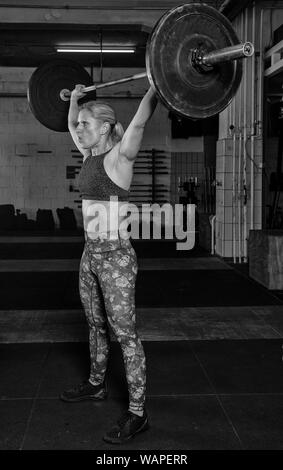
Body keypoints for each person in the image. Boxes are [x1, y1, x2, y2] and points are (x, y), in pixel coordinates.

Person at [60, 83, 158, 444]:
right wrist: (74, 101)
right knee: (94, 323)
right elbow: (70, 123)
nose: (79, 128)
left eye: (87, 124)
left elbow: (140, 122)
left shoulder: (120, 158)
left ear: (104, 127)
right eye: (81, 124)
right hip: (89, 254)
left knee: (126, 336)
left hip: (116, 256)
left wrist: (156, 86)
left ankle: (137, 412)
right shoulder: (88, 156)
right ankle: (97, 384)